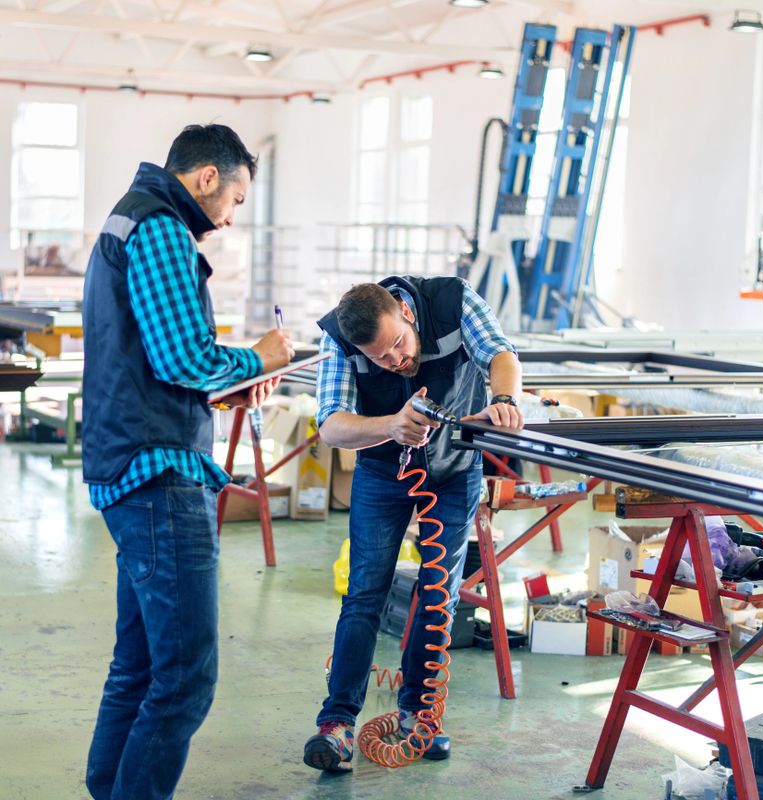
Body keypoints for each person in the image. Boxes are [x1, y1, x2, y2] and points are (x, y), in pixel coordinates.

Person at [82, 124, 294, 800]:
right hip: (158, 477)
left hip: (132, 464)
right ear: (206, 178)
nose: (231, 219)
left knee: (140, 666)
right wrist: (258, 359)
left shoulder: (128, 217)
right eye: (234, 201)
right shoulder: (164, 228)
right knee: (185, 679)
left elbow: (159, 362)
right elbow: (183, 358)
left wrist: (227, 382)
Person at [303, 274, 523, 773]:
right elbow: (331, 423)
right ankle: (336, 725)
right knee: (364, 593)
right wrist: (389, 424)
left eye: (399, 345)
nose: (395, 361)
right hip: (383, 472)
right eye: (379, 358)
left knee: (438, 591)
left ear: (404, 311)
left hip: (453, 470)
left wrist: (506, 400)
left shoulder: (451, 301)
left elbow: (500, 352)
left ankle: (417, 716)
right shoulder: (338, 336)